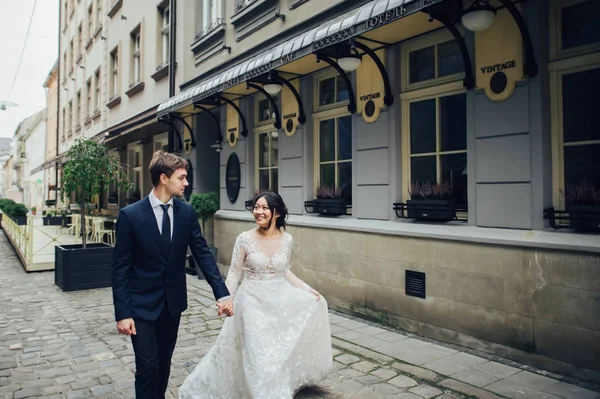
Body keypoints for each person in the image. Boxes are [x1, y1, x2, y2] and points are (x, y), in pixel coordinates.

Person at [178, 192, 333, 399]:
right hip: (251, 302)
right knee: (256, 353)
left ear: (276, 213)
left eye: (264, 208)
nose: (258, 212)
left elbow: (285, 271)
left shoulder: (287, 239)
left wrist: (307, 289)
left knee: (273, 352)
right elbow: (234, 273)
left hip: (278, 302)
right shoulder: (244, 239)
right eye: (256, 207)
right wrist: (226, 298)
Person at [112, 150, 234, 399]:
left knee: (164, 363)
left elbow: (202, 254)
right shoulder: (130, 215)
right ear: (164, 178)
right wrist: (123, 313)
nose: (186, 183)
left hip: (172, 304)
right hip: (140, 305)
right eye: (182, 177)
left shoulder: (186, 213)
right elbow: (120, 268)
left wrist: (222, 293)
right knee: (147, 365)